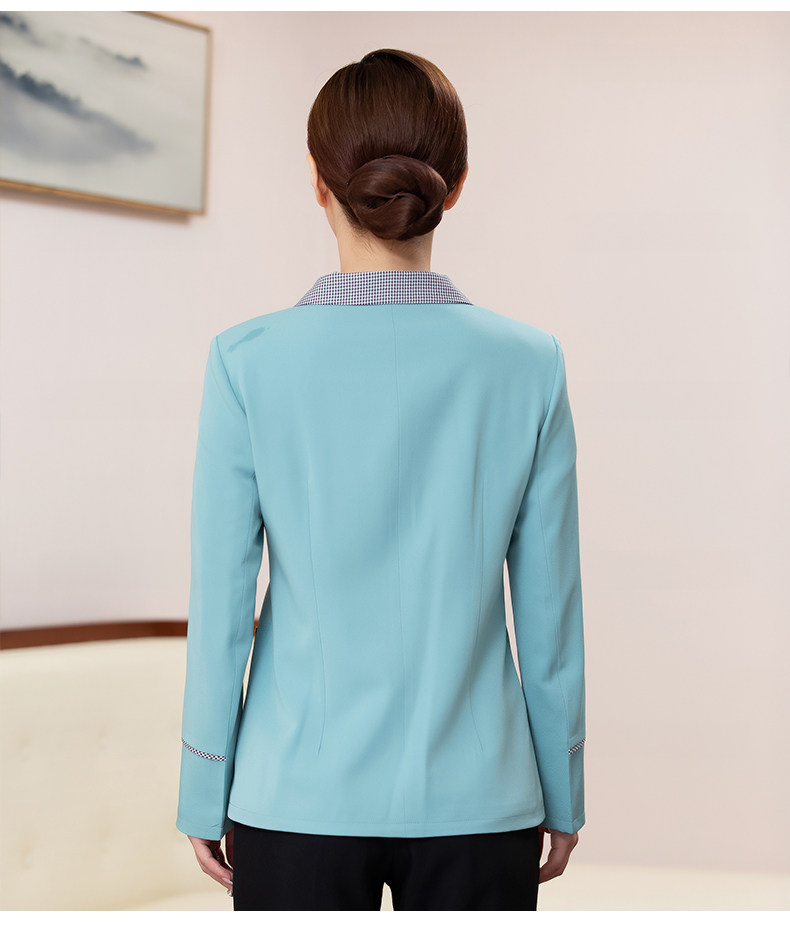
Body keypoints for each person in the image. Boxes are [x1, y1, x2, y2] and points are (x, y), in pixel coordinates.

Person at [176, 47, 586, 911]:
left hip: (293, 799)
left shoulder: (246, 362)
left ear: (317, 182)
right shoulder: (531, 364)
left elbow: (222, 609)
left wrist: (202, 787)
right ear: (456, 184)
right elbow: (549, 617)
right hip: (483, 801)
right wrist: (563, 789)